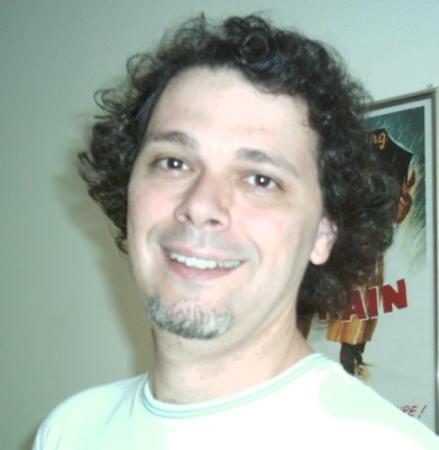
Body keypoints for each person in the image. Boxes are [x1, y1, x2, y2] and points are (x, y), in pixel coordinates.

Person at [32, 14, 438, 449]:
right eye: (173, 162)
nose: (201, 205)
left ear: (324, 231)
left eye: (261, 179)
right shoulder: (69, 430)